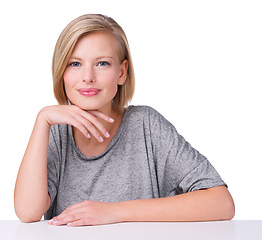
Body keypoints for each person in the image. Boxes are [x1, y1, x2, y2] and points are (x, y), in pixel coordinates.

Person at [14, 14, 235, 227]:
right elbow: (27, 212)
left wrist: (113, 211)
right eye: (75, 64)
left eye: (102, 63)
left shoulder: (146, 126)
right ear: (61, 73)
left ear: (122, 72)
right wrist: (42, 120)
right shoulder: (56, 133)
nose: (88, 76)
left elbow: (221, 203)